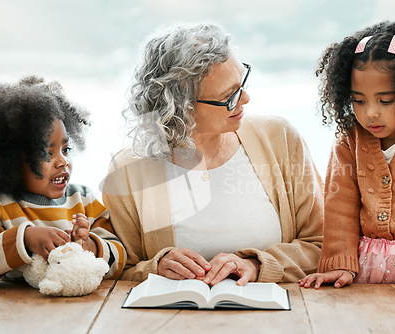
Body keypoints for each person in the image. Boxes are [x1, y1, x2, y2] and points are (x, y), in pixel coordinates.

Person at [102, 23, 324, 286]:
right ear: (180, 109)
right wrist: (156, 267)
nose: (245, 99)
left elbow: (322, 244)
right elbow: (118, 267)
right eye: (228, 96)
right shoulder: (128, 170)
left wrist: (256, 265)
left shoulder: (280, 139)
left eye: (241, 82)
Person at [299, 19, 395, 299]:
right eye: (359, 100)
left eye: (385, 101)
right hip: (366, 267)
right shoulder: (350, 139)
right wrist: (338, 263)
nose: (371, 112)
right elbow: (340, 205)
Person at [0, 76, 125, 284]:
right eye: (47, 152)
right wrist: (25, 240)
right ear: (8, 160)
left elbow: (120, 256)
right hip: (12, 312)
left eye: (66, 149)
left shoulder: (83, 200)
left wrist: (89, 246)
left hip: (81, 311)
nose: (63, 161)